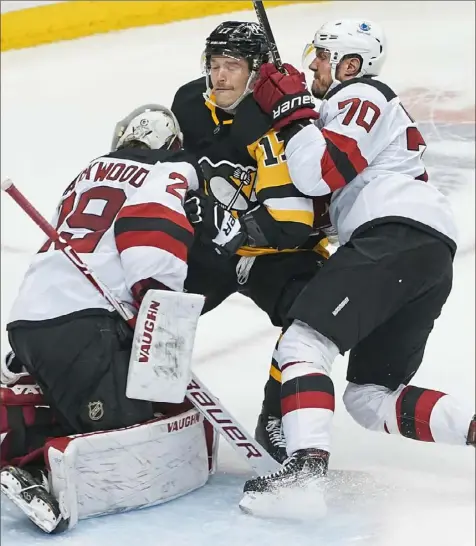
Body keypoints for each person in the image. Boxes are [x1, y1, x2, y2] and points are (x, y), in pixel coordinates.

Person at [240, 19, 475, 510]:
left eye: (321, 56)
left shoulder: (361, 93)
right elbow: (325, 196)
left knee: (303, 341)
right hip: (423, 249)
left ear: (351, 63)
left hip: (394, 236)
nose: (311, 66)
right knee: (370, 397)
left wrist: (294, 115)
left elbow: (319, 172)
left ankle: (305, 472)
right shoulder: (353, 110)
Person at [1, 104, 216, 533]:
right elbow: (150, 231)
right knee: (127, 428)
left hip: (29, 319)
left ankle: (28, 423)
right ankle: (35, 465)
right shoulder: (163, 172)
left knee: (85, 400)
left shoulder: (87, 173)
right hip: (84, 323)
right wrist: (157, 305)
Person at [170, 21, 332, 463]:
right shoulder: (187, 103)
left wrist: (238, 231)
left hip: (279, 253)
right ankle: (143, 403)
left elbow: (298, 218)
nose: (220, 76)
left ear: (257, 71)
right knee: (154, 307)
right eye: (215, 65)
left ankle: (277, 415)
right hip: (210, 248)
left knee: (313, 317)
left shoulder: (279, 115)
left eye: (233, 67)